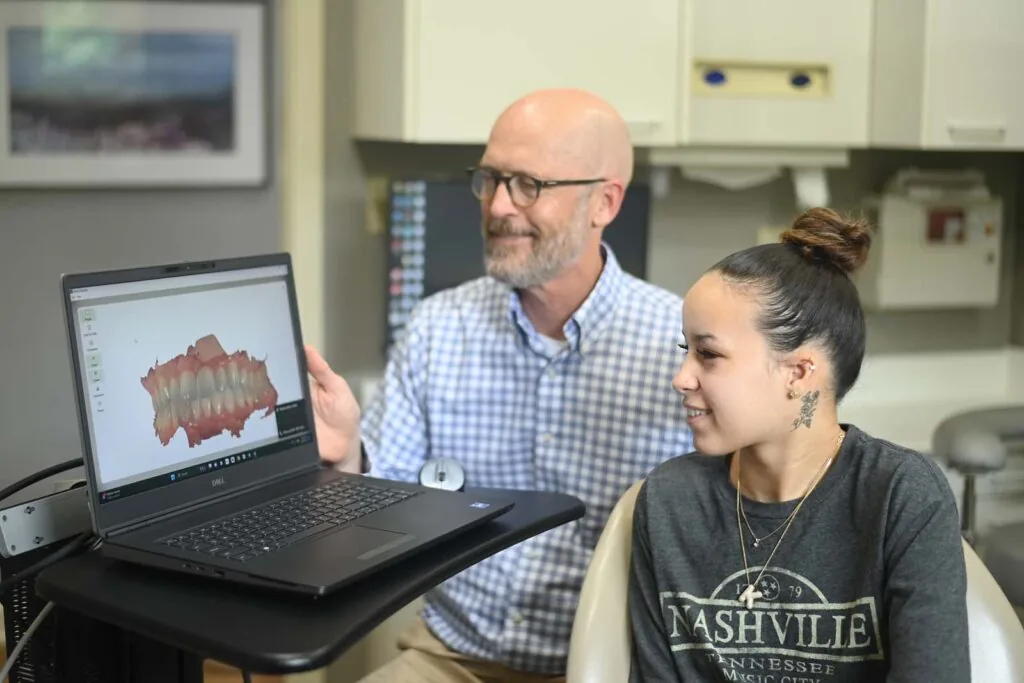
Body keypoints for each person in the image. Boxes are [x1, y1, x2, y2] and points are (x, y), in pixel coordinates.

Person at [304, 88, 694, 681]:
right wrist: (349, 455)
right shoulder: (439, 327)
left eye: (529, 185)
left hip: (613, 668)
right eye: (490, 179)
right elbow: (385, 501)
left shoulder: (683, 348)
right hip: (452, 654)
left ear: (604, 203)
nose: (499, 206)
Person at [627, 207, 971, 682]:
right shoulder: (669, 501)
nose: (680, 378)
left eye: (708, 354)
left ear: (799, 372)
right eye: (687, 351)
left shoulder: (902, 496)